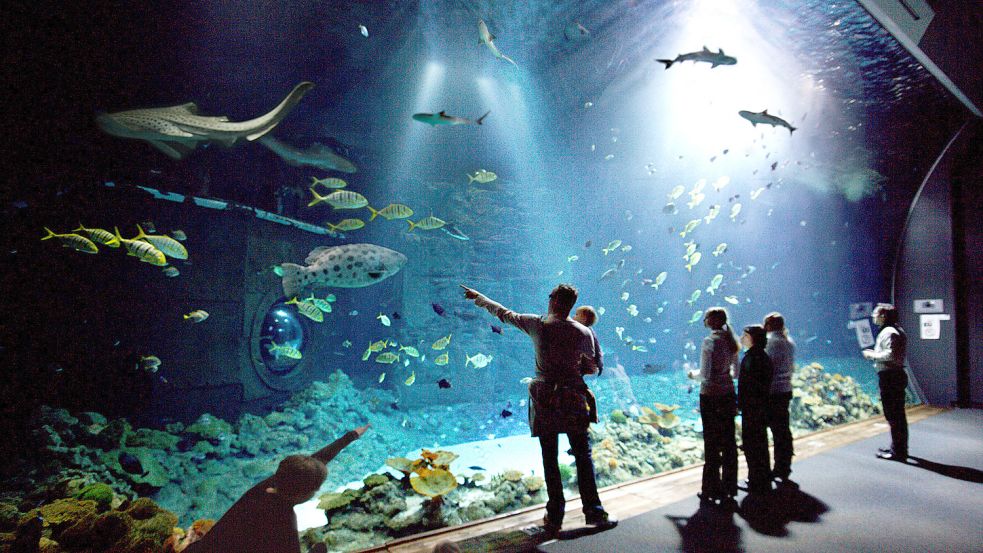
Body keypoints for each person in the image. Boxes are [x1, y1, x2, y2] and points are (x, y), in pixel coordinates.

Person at [460, 283, 616, 536]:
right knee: (583, 455)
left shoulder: (538, 324)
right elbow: (593, 369)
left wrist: (479, 298)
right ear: (570, 305)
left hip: (545, 398)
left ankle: (554, 518)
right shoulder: (583, 332)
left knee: (549, 457)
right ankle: (595, 513)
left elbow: (504, 313)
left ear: (554, 300)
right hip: (574, 396)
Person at [184, 425, 370, 553]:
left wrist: (351, 436)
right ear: (303, 494)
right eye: (316, 488)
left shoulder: (267, 486)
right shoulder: (283, 521)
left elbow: (317, 460)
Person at [688, 307, 739, 508]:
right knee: (728, 441)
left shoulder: (710, 341)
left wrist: (692, 375)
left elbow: (705, 374)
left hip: (710, 396)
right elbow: (735, 373)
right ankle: (730, 486)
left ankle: (711, 488)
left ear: (711, 320)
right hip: (728, 394)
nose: (704, 319)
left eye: (706, 316)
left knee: (711, 442)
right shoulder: (731, 341)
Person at [862, 303, 909, 461]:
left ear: (883, 316)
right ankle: (898, 447)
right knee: (897, 415)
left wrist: (872, 355)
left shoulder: (889, 332)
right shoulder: (897, 330)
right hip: (895, 376)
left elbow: (890, 354)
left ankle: (898, 452)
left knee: (894, 415)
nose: (873, 316)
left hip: (891, 377)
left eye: (876, 313)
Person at [737, 325, 774, 495]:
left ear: (752, 338)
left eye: (745, 335)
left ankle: (755, 480)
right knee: (760, 443)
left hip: (752, 408)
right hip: (762, 406)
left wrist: (740, 403)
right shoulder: (763, 356)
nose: (741, 338)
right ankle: (763, 478)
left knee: (752, 445)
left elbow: (747, 385)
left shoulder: (751, 358)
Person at [763, 312, 796, 485]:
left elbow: (764, 368)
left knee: (770, 431)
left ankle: (771, 468)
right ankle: (784, 467)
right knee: (783, 430)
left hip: (771, 392)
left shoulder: (769, 343)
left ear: (768, 325)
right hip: (785, 390)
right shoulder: (789, 342)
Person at [572, 305, 603, 376]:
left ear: (584, 319)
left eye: (577, 314)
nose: (573, 317)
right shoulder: (577, 329)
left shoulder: (588, 331)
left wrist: (599, 363)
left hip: (587, 362)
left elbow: (597, 347)